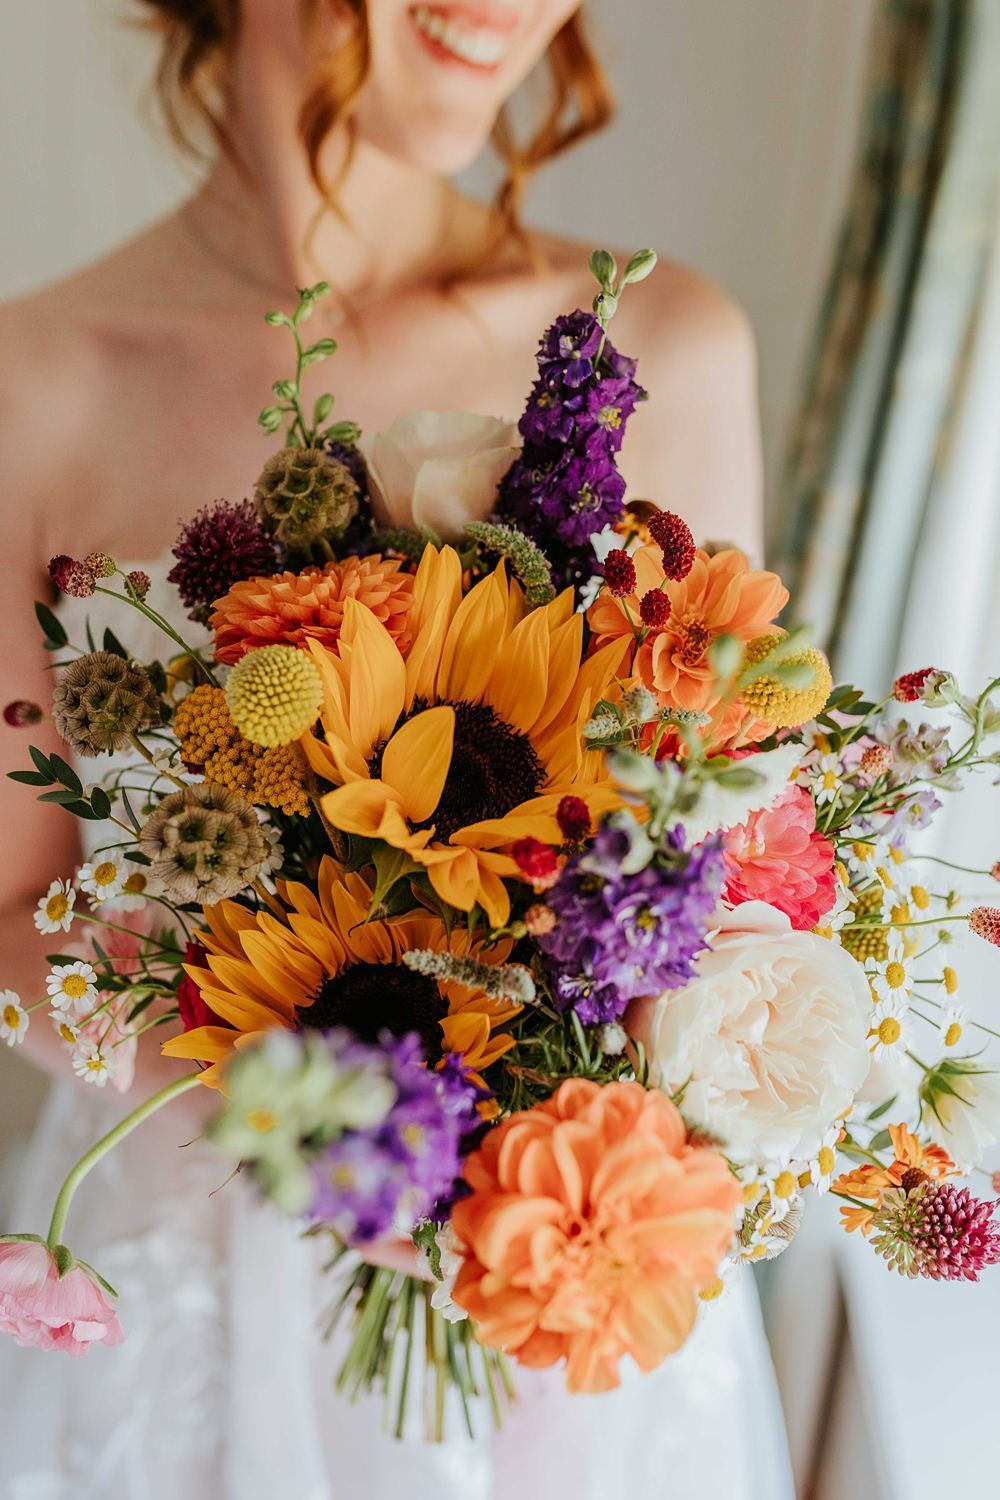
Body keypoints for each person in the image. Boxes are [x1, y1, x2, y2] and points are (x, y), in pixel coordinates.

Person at [0, 3, 790, 1495]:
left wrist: (533, 1111)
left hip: (571, 1273)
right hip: (200, 1286)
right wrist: (314, 1089)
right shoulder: (32, 383)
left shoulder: (659, 342)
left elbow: (734, 869)